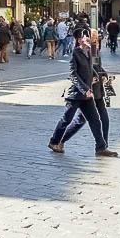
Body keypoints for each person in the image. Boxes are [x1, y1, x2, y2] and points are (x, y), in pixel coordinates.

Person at [49, 27, 115, 157]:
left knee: (95, 120)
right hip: (75, 95)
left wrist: (100, 76)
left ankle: (101, 148)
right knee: (67, 119)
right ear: (80, 40)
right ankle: (54, 141)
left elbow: (92, 69)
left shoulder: (89, 52)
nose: (89, 39)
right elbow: (73, 75)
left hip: (87, 95)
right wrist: (84, 89)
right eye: (86, 37)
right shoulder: (74, 53)